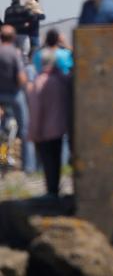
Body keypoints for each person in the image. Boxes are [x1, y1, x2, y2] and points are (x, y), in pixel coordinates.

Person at [26, 46, 70, 198]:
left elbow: (35, 110)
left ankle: (51, 190)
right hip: (61, 128)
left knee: (47, 162)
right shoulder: (63, 80)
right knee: (57, 159)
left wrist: (33, 131)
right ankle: (56, 188)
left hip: (44, 130)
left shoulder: (40, 82)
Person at [0, 26, 28, 172]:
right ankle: (28, 166)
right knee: (23, 129)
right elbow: (21, 78)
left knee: (4, 129)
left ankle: (3, 158)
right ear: (13, 37)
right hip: (14, 95)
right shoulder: (14, 53)